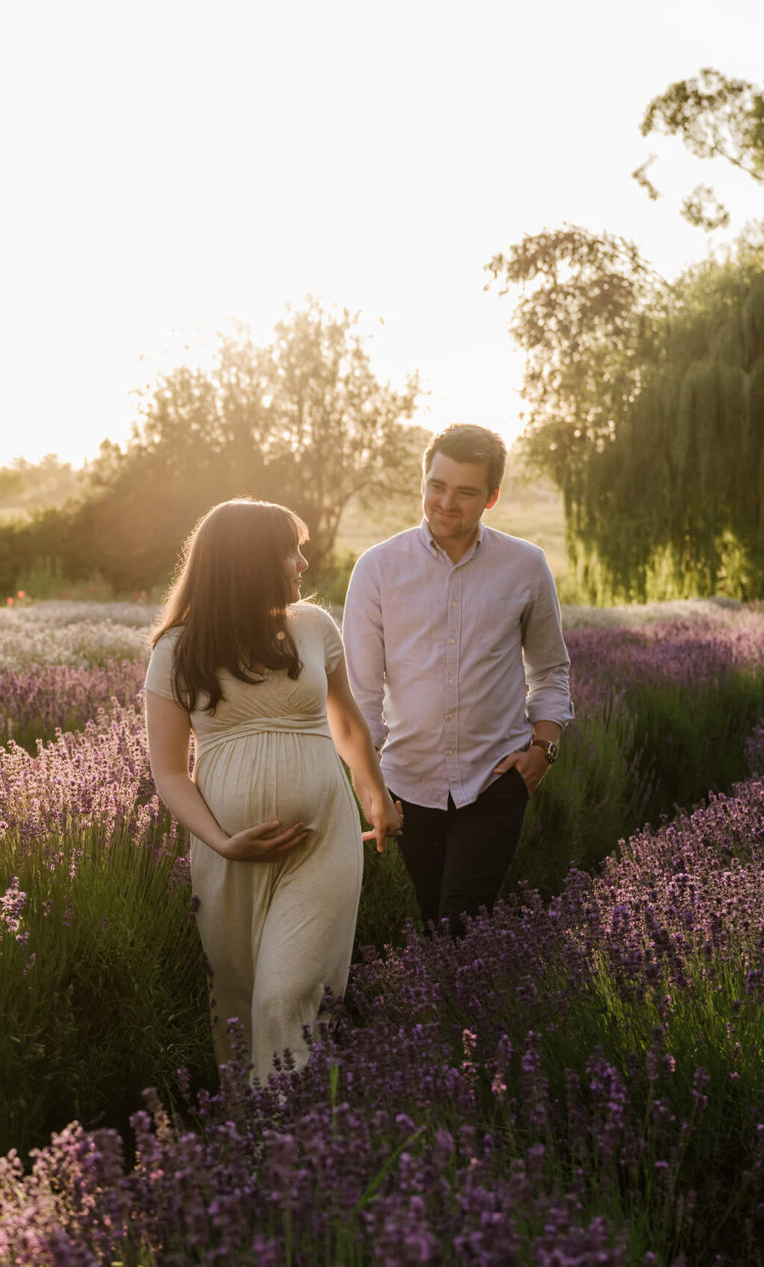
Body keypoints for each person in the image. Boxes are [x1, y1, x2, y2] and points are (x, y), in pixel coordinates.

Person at [144, 498, 401, 1083]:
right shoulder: (176, 649)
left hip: (321, 844)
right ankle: (253, 1150)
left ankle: (290, 1156)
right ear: (250, 561)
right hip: (227, 856)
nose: (303, 563)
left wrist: (377, 798)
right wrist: (223, 841)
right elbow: (169, 772)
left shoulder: (312, 627)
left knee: (283, 1001)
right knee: (238, 1010)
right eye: (292, 550)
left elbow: (348, 725)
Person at [342, 424, 573, 936]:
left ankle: (460, 1014)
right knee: (437, 925)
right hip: (408, 785)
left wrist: (544, 749)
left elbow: (550, 669)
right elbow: (360, 694)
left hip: (496, 782)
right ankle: (458, 1014)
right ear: (423, 480)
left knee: (459, 926)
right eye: (436, 485)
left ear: (492, 497)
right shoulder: (377, 569)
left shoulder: (526, 566)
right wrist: (371, 789)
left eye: (465, 492)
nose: (446, 502)